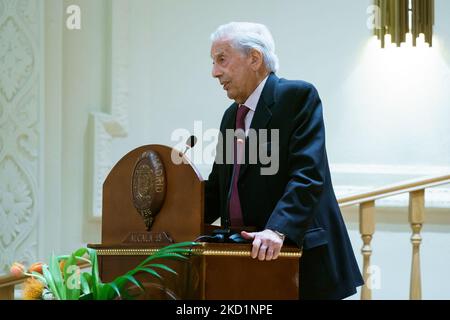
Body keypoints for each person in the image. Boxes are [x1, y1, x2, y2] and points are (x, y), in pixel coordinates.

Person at [204, 21, 363, 300]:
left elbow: (308, 174)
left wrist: (278, 229)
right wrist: (173, 222)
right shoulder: (232, 116)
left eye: (222, 60)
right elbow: (219, 188)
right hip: (245, 260)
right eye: (214, 62)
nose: (215, 72)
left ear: (254, 58)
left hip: (299, 257)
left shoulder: (297, 97)